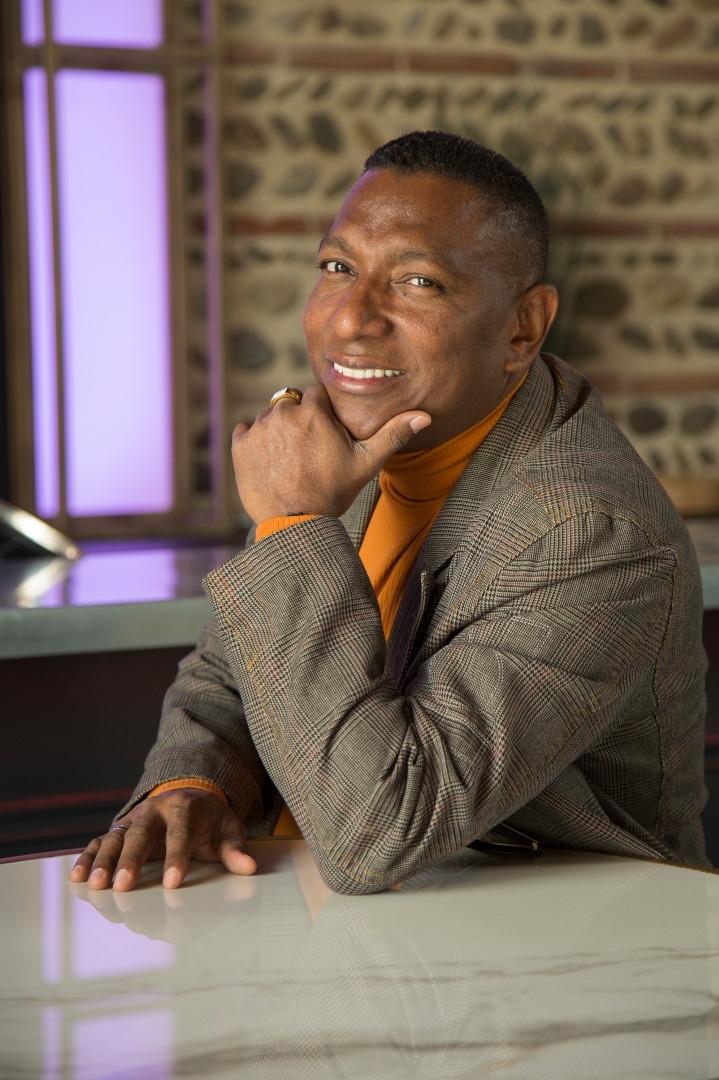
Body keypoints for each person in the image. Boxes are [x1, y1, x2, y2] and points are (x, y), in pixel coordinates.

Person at [69, 131, 708, 897]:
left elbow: (378, 832)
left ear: (522, 328)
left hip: (536, 944)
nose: (349, 319)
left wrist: (293, 521)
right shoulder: (359, 445)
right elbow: (229, 668)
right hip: (305, 921)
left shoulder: (591, 532)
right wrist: (193, 785)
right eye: (338, 268)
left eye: (417, 282)